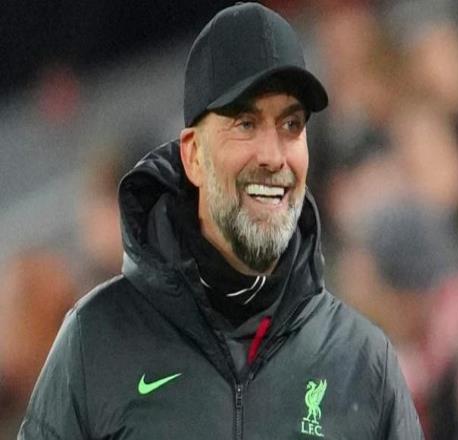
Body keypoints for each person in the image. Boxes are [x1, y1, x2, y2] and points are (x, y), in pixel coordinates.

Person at [18, 3, 423, 439]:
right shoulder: (95, 342)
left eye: (291, 124)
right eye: (245, 124)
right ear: (193, 155)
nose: (273, 156)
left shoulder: (364, 363)